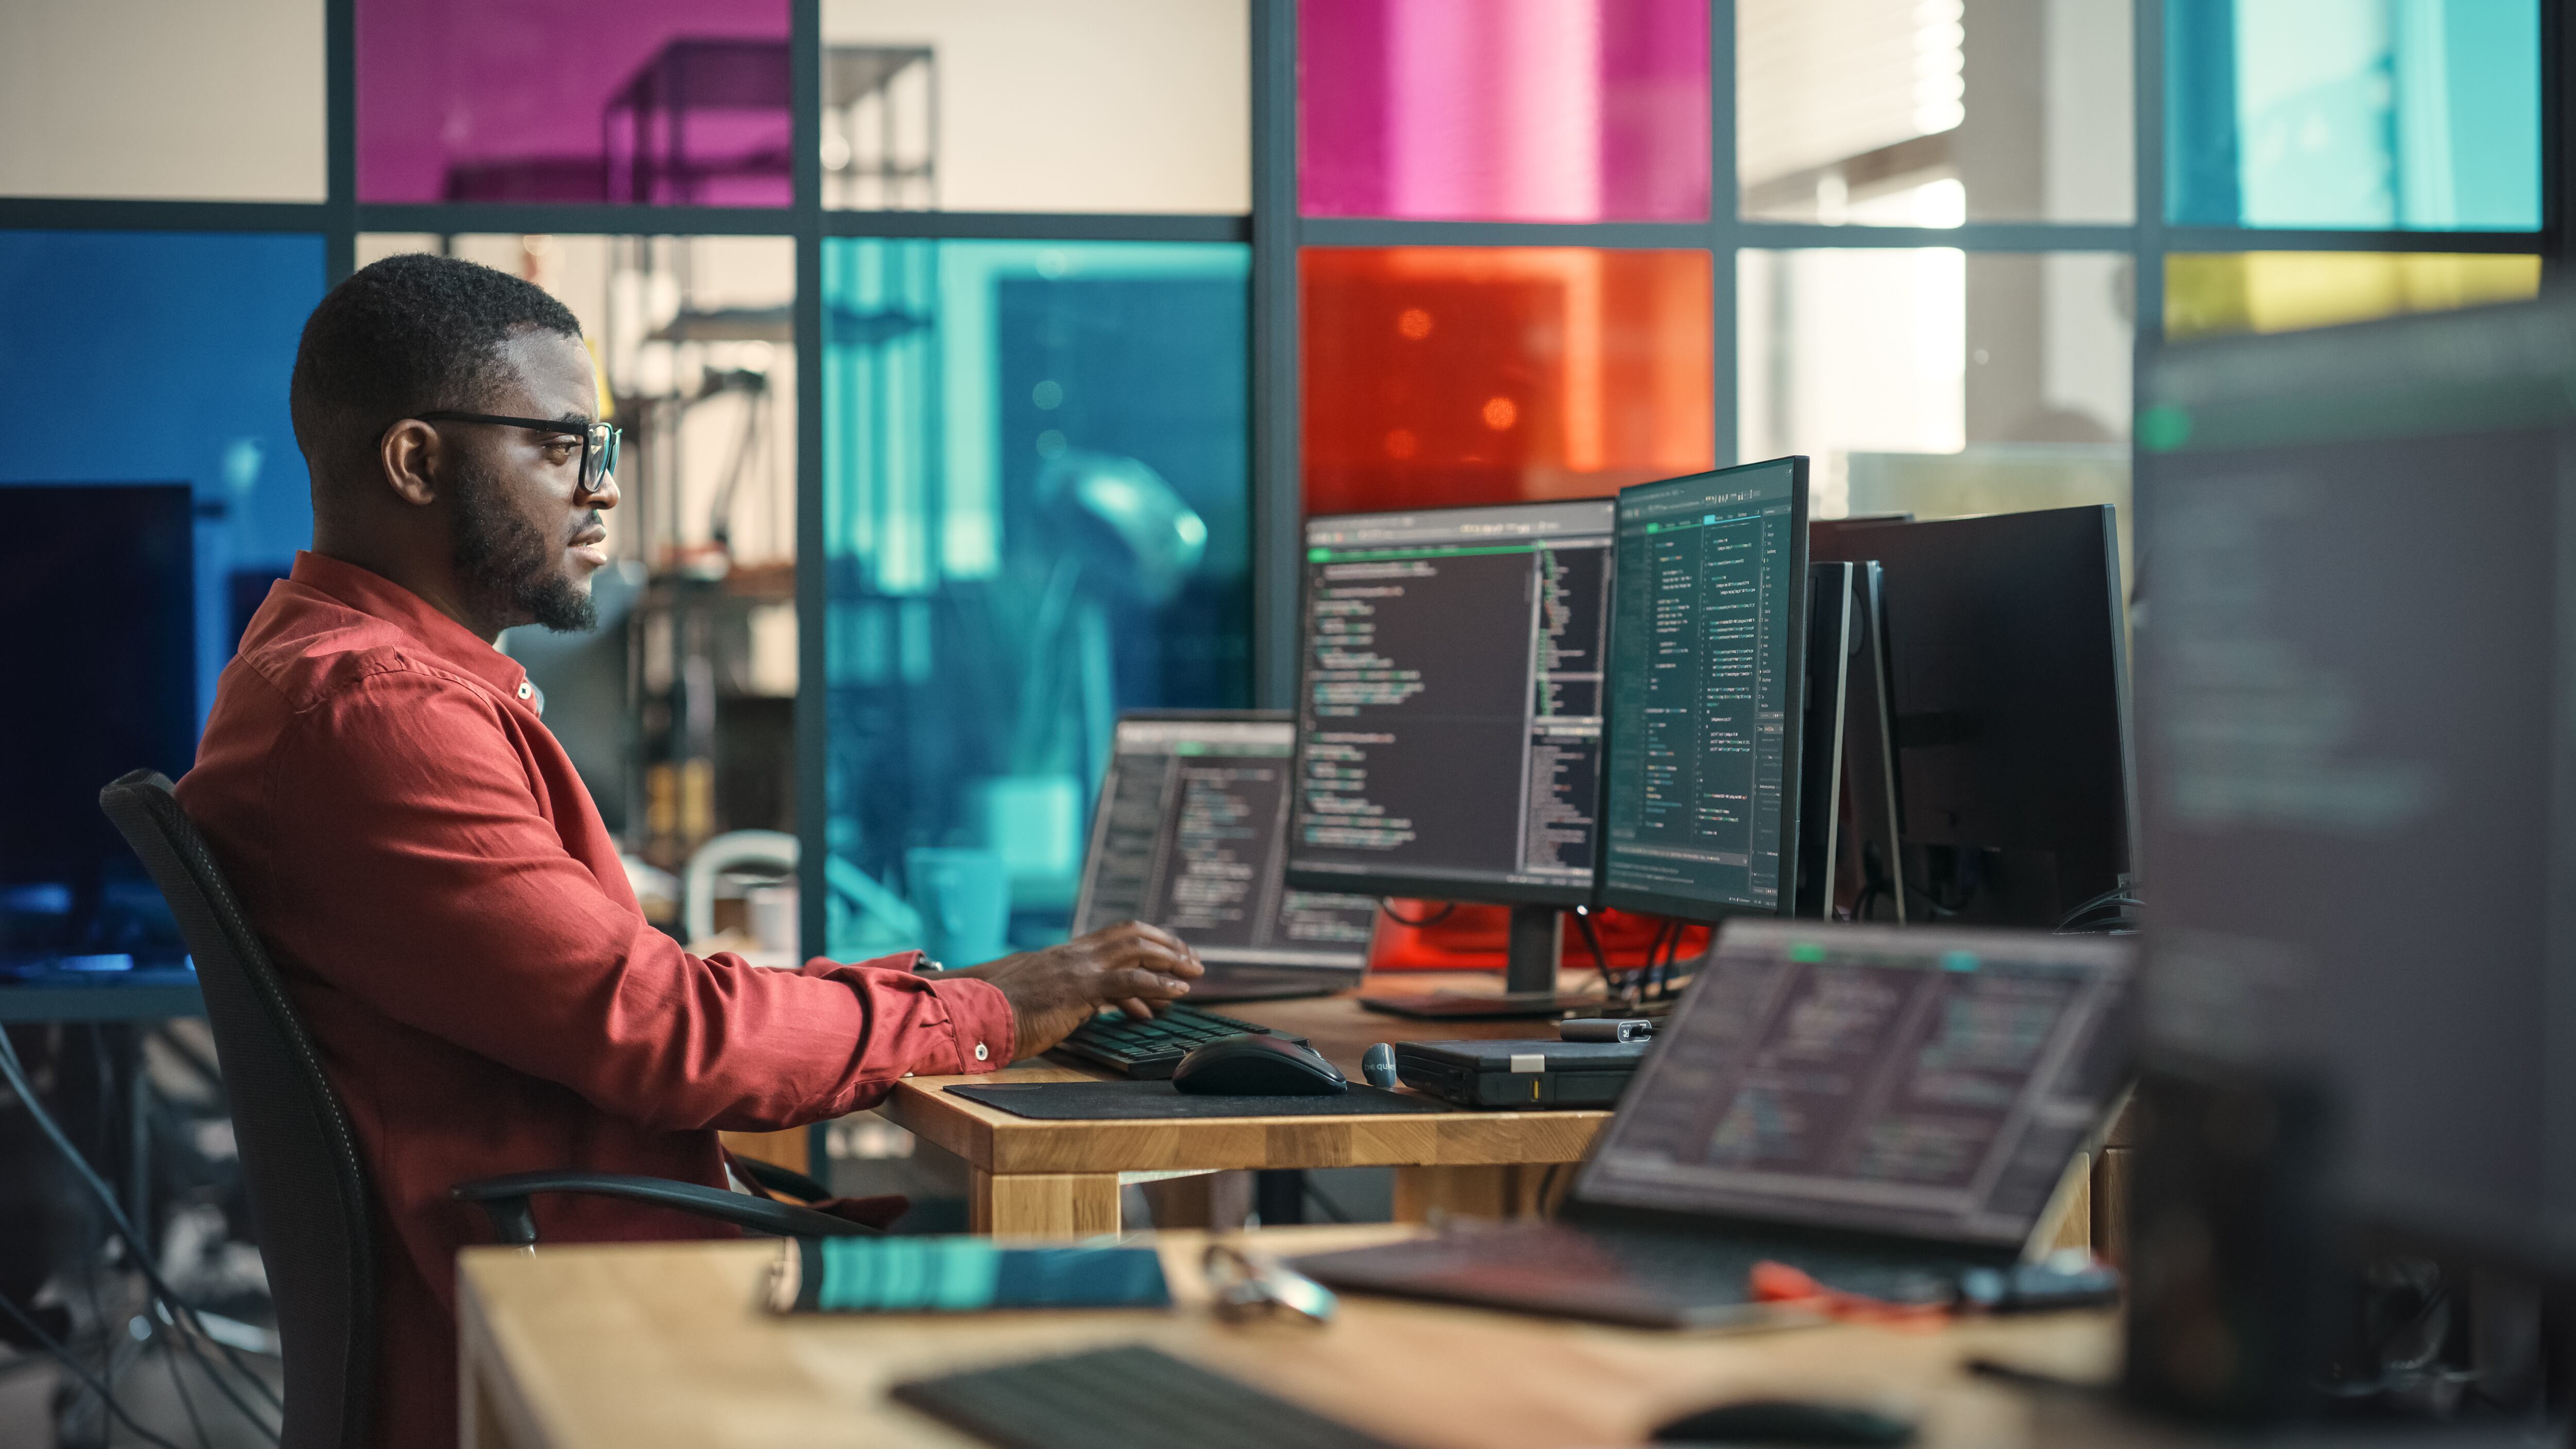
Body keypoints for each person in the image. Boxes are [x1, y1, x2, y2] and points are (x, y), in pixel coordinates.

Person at [176, 253, 1204, 1449]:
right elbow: (665, 1035)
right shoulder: (379, 712)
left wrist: (942, 997)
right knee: (1133, 1318)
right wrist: (982, 1012)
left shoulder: (326, 674)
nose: (602, 493)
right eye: (562, 447)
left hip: (550, 1275)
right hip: (571, 1323)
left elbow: (646, 1004)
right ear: (415, 460)